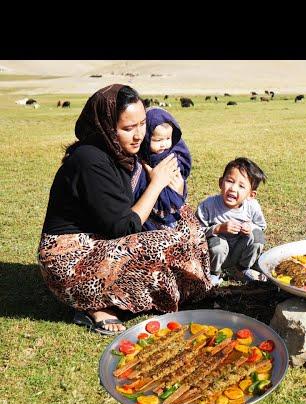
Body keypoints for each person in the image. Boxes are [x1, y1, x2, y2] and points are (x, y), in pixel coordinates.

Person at [38, 84, 213, 335]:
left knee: (187, 220)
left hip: (101, 238)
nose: (138, 135)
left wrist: (174, 186)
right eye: (128, 128)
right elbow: (123, 227)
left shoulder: (122, 151)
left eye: (142, 124)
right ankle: (94, 304)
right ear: (107, 127)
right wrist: (157, 184)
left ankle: (190, 288)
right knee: (162, 244)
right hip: (70, 258)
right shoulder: (90, 160)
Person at [196, 157, 268, 283]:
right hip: (216, 255)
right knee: (217, 243)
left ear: (251, 194)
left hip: (240, 250)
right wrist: (218, 228)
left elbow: (261, 226)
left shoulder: (252, 206)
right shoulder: (208, 205)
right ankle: (214, 273)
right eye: (230, 181)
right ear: (220, 182)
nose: (233, 188)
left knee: (257, 236)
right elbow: (195, 232)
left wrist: (250, 227)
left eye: (241, 186)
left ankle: (242, 269)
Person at [133, 107, 191, 230]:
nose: (164, 144)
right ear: (146, 137)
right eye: (158, 140)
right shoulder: (140, 160)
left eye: (167, 139)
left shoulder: (173, 155)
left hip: (174, 203)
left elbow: (182, 170)